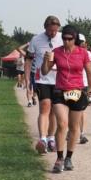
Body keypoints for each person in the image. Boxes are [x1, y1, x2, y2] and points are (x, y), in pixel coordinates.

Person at [41, 25, 91, 173]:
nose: (66, 41)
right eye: (64, 38)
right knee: (62, 124)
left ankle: (69, 157)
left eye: (69, 39)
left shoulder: (83, 53)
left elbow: (89, 72)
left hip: (77, 92)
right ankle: (59, 158)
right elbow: (45, 72)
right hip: (60, 91)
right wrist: (45, 61)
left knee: (74, 127)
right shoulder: (56, 52)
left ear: (75, 39)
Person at [26, 16, 62, 154]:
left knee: (54, 111)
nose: (53, 33)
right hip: (42, 79)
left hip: (58, 79)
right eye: (50, 30)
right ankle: (42, 139)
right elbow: (28, 59)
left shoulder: (62, 38)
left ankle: (51, 138)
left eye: (55, 30)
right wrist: (28, 79)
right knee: (45, 107)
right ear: (45, 27)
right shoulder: (36, 39)